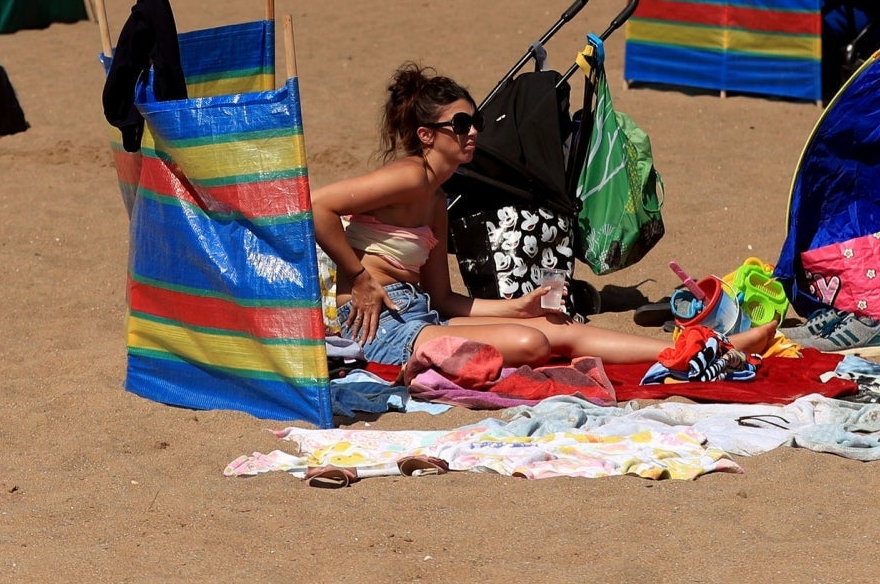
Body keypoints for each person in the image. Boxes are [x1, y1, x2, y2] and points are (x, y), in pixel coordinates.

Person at [312, 66, 778, 371]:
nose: (473, 132)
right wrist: (358, 277)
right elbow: (317, 205)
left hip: (417, 313)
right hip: (375, 323)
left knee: (557, 330)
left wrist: (519, 306)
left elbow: (442, 299)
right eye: (460, 125)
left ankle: (706, 347)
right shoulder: (410, 176)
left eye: (473, 121)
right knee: (533, 345)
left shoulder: (435, 200)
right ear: (425, 135)